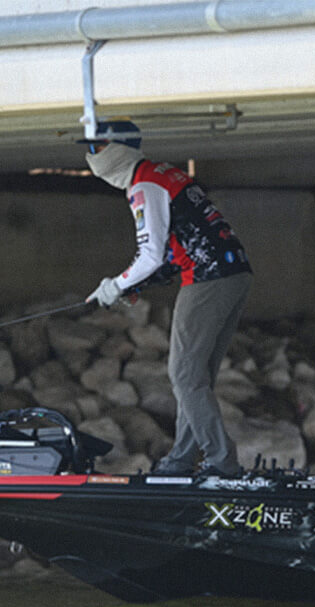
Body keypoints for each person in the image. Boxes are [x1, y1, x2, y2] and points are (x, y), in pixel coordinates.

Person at [81, 120, 253, 477]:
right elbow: (177, 247)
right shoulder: (162, 174)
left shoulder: (144, 185)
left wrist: (115, 285)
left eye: (98, 147)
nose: (91, 156)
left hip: (208, 279)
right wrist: (133, 286)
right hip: (234, 274)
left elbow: (151, 255)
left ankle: (222, 464)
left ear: (118, 149)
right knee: (196, 377)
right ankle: (180, 460)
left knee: (184, 375)